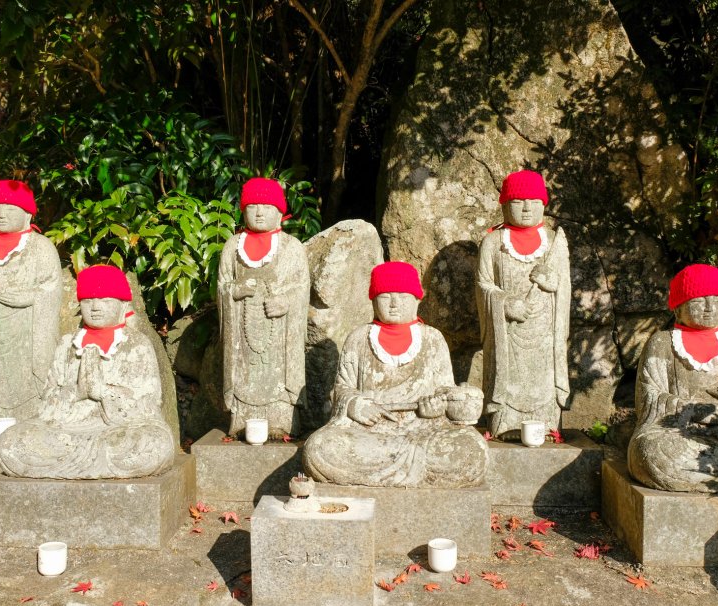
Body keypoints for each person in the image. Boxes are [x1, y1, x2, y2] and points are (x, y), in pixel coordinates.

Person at [303, 261, 488, 488]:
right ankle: (416, 473)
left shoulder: (432, 339)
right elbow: (343, 388)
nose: (393, 303)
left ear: (417, 300)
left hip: (424, 430)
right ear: (373, 301)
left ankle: (386, 474)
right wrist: (355, 405)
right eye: (385, 296)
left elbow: (444, 390)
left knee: (473, 449)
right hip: (371, 432)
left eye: (402, 295)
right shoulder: (359, 338)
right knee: (319, 447)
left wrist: (437, 407)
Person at [0, 265, 175, 479]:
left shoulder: (136, 344)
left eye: (105, 301)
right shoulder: (67, 344)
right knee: (11, 442)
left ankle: (68, 466)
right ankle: (89, 466)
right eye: (88, 301)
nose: (96, 307)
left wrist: (103, 392)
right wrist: (75, 393)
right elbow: (48, 400)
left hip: (118, 432)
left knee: (153, 443)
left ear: (123, 305)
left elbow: (148, 402)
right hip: (66, 430)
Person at [476, 170, 570, 439]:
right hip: (507, 335)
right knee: (506, 377)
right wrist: (504, 303)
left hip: (545, 334)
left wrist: (553, 284)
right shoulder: (493, 243)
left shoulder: (553, 243)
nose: (527, 207)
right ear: (505, 205)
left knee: (544, 379)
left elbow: (565, 288)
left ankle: (548, 425)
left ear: (543, 204)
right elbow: (484, 284)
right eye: (518, 201)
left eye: (533, 200)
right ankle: (505, 424)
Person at [217, 177, 310, 438]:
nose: (258, 212)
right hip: (242, 336)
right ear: (243, 210)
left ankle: (282, 418)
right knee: (245, 372)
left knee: (277, 377)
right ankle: (241, 419)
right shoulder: (232, 247)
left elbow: (302, 287)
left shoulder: (292, 247)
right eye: (252, 206)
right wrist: (235, 291)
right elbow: (223, 285)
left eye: (266, 206)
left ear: (280, 212)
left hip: (279, 336)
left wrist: (287, 301)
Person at [0, 180, 62, 429]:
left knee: (28, 380)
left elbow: (51, 288)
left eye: (9, 208)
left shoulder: (40, 247)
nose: (1, 214)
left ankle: (34, 419)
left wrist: (29, 298)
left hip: (27, 331)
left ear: (27, 213)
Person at [628, 264, 718, 493]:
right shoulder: (662, 343)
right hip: (674, 432)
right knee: (649, 453)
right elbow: (649, 396)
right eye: (699, 301)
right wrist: (695, 410)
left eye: (717, 300)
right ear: (678, 308)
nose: (709, 308)